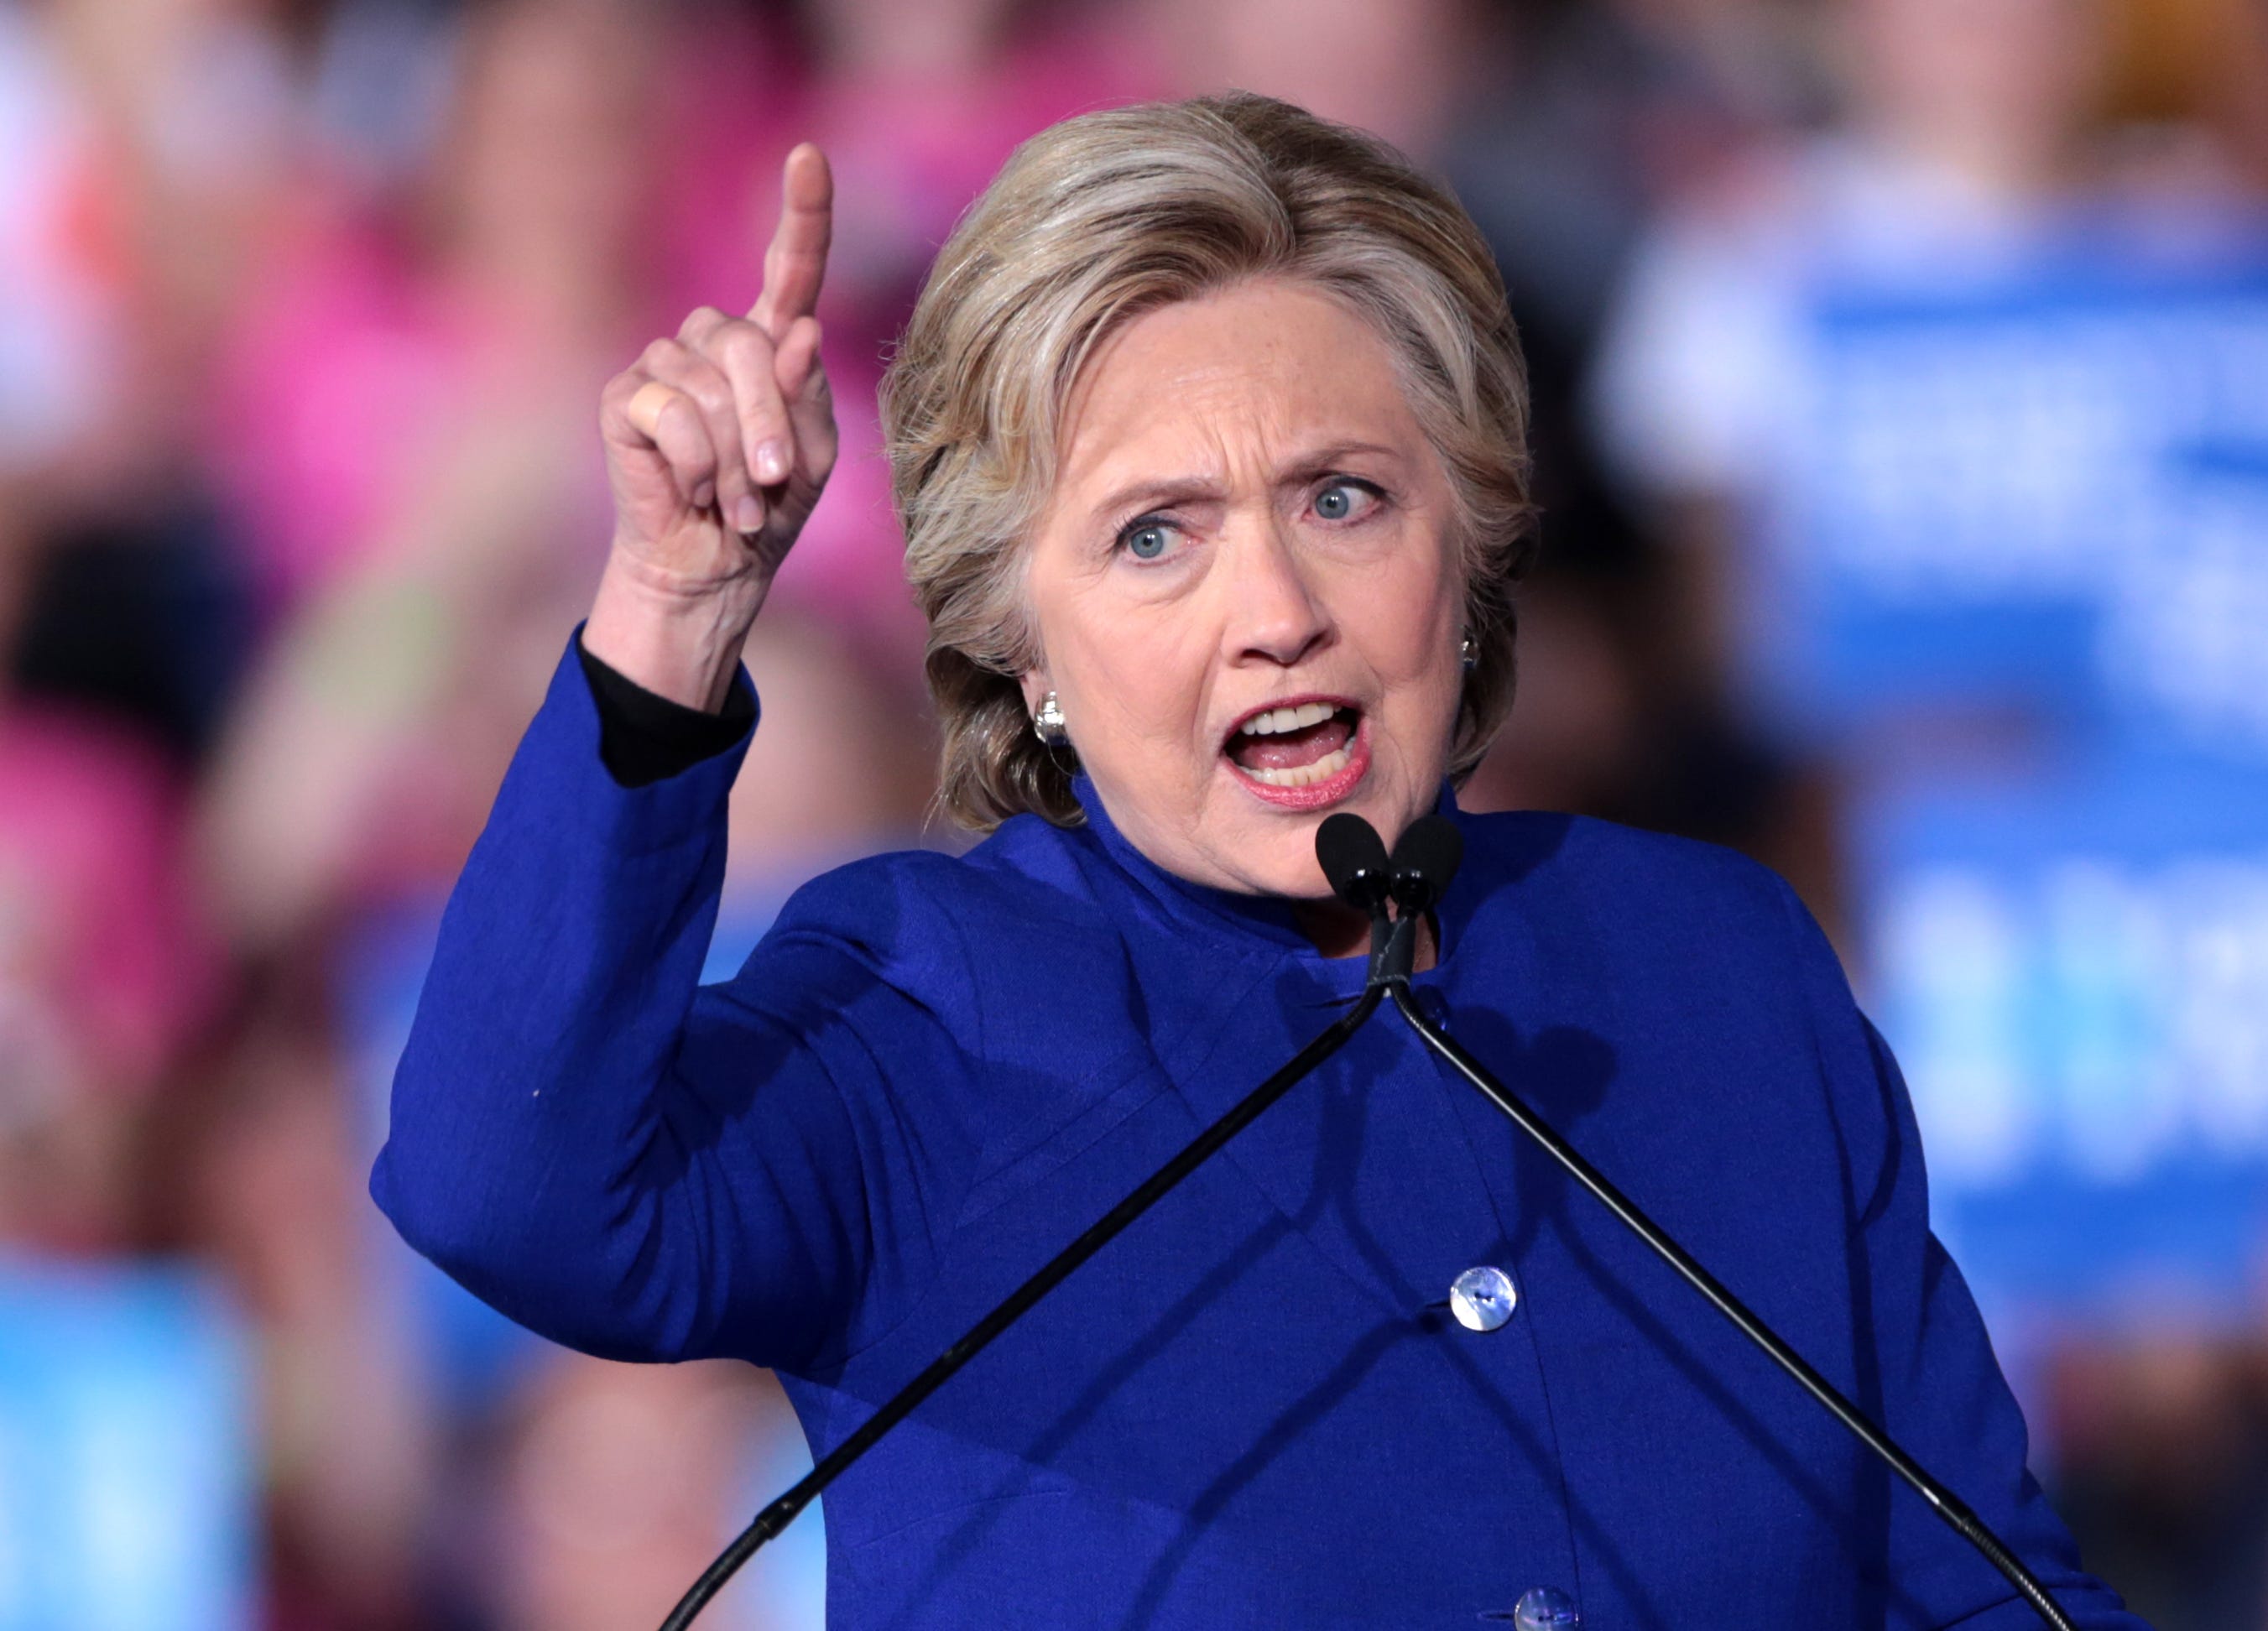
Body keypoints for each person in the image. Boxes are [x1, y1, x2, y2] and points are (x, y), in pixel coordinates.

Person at [370, 94, 2146, 1628]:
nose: (1276, 610)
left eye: (1343, 499)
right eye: (1156, 538)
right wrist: (677, 608)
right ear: (1023, 646)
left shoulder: (1709, 960)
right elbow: (507, 1194)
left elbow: (1975, 1579)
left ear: (1471, 545)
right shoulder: (919, 1011)